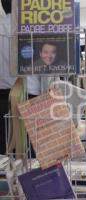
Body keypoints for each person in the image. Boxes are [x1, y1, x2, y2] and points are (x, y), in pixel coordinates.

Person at [0, 0, 17, 155]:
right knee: (29, 155)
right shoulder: (31, 27)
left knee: (2, 150)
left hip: (2, 96)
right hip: (28, 95)